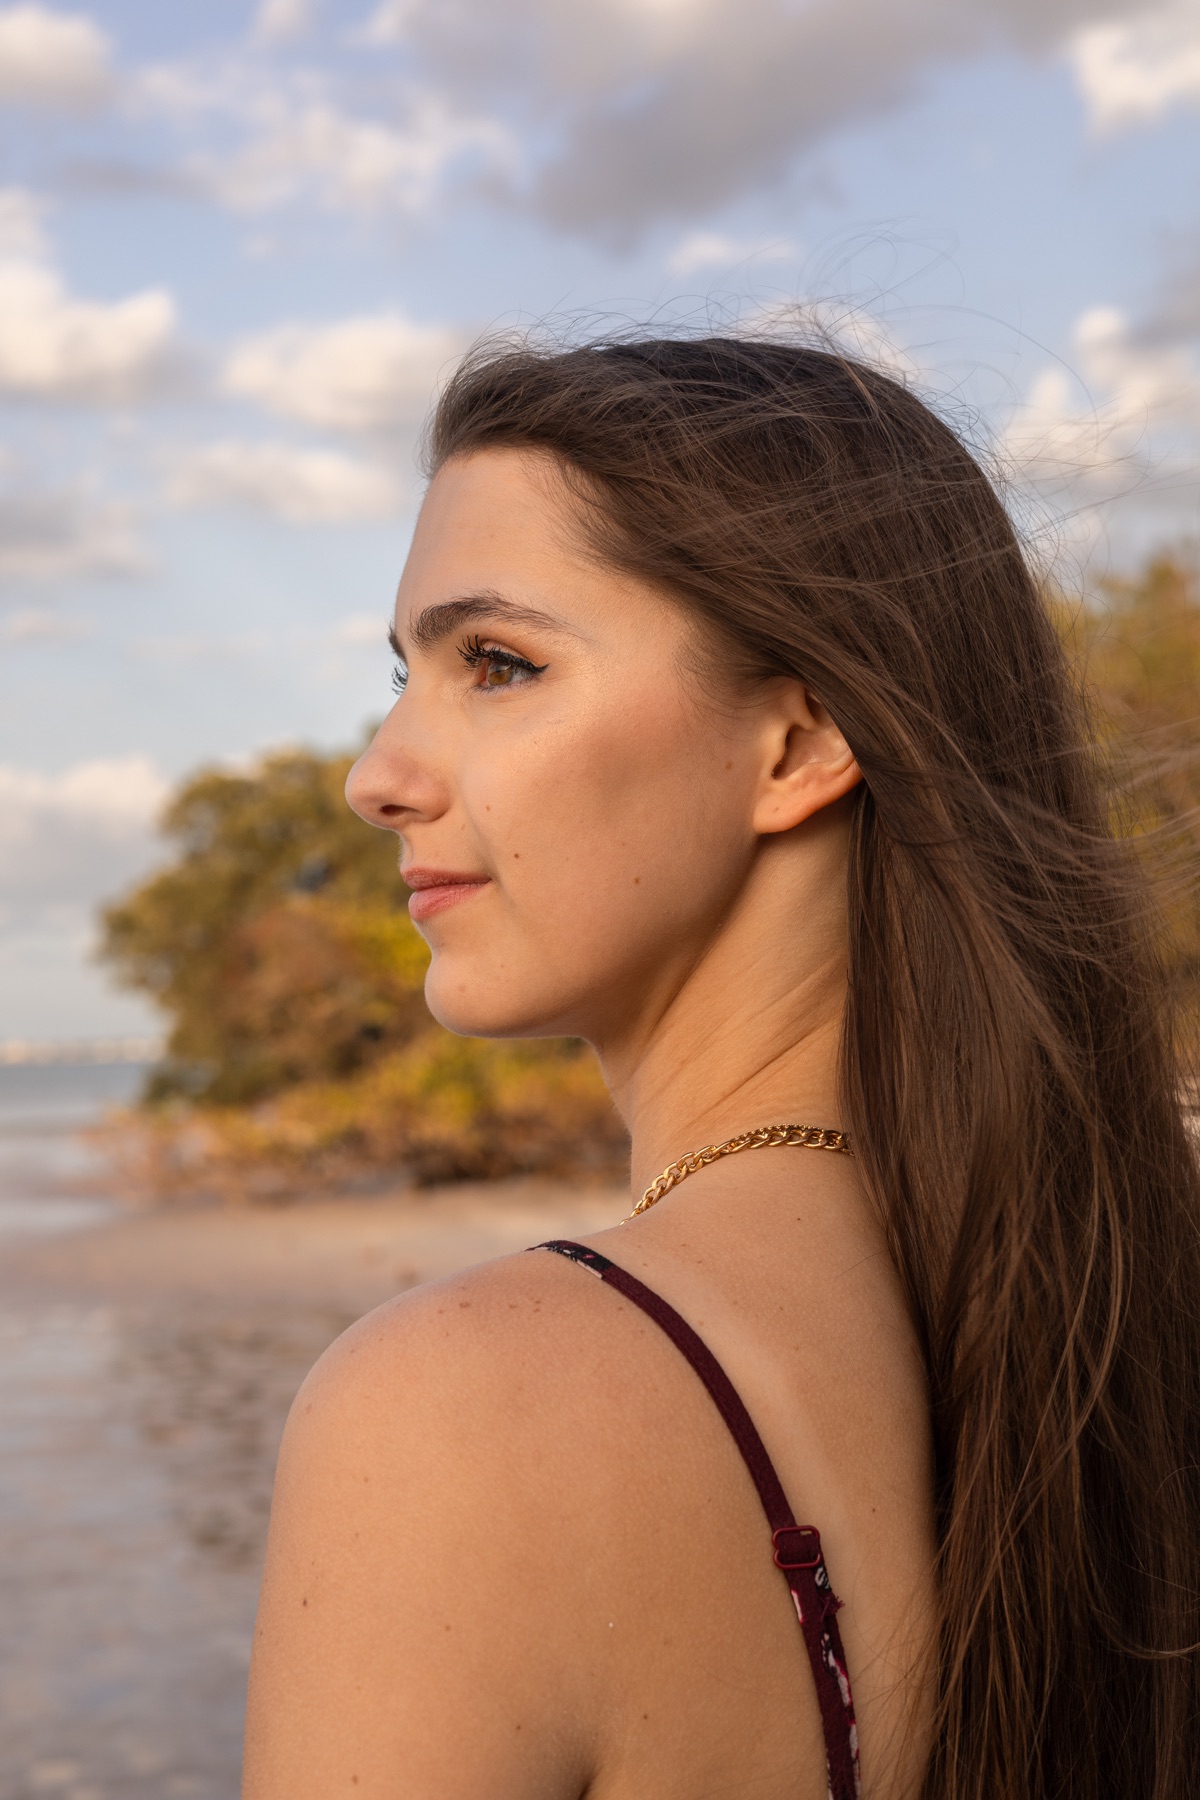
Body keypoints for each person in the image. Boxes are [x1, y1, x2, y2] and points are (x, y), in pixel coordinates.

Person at [241, 335, 1200, 1800]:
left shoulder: (455, 1411)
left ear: (800, 740)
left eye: (497, 663)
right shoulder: (1098, 1311)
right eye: (407, 674)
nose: (378, 774)